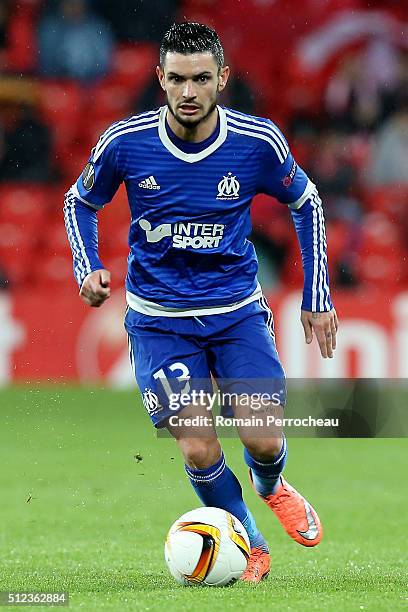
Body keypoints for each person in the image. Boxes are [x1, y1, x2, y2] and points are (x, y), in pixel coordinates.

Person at [64, 23, 338, 583]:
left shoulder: (256, 142)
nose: (189, 91)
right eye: (179, 78)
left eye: (202, 79)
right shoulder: (125, 143)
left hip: (236, 311)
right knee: (196, 446)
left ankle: (270, 485)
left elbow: (306, 203)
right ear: (160, 77)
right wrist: (86, 267)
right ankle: (251, 542)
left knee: (262, 437)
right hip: (159, 321)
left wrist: (316, 295)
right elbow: (80, 201)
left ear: (223, 80)